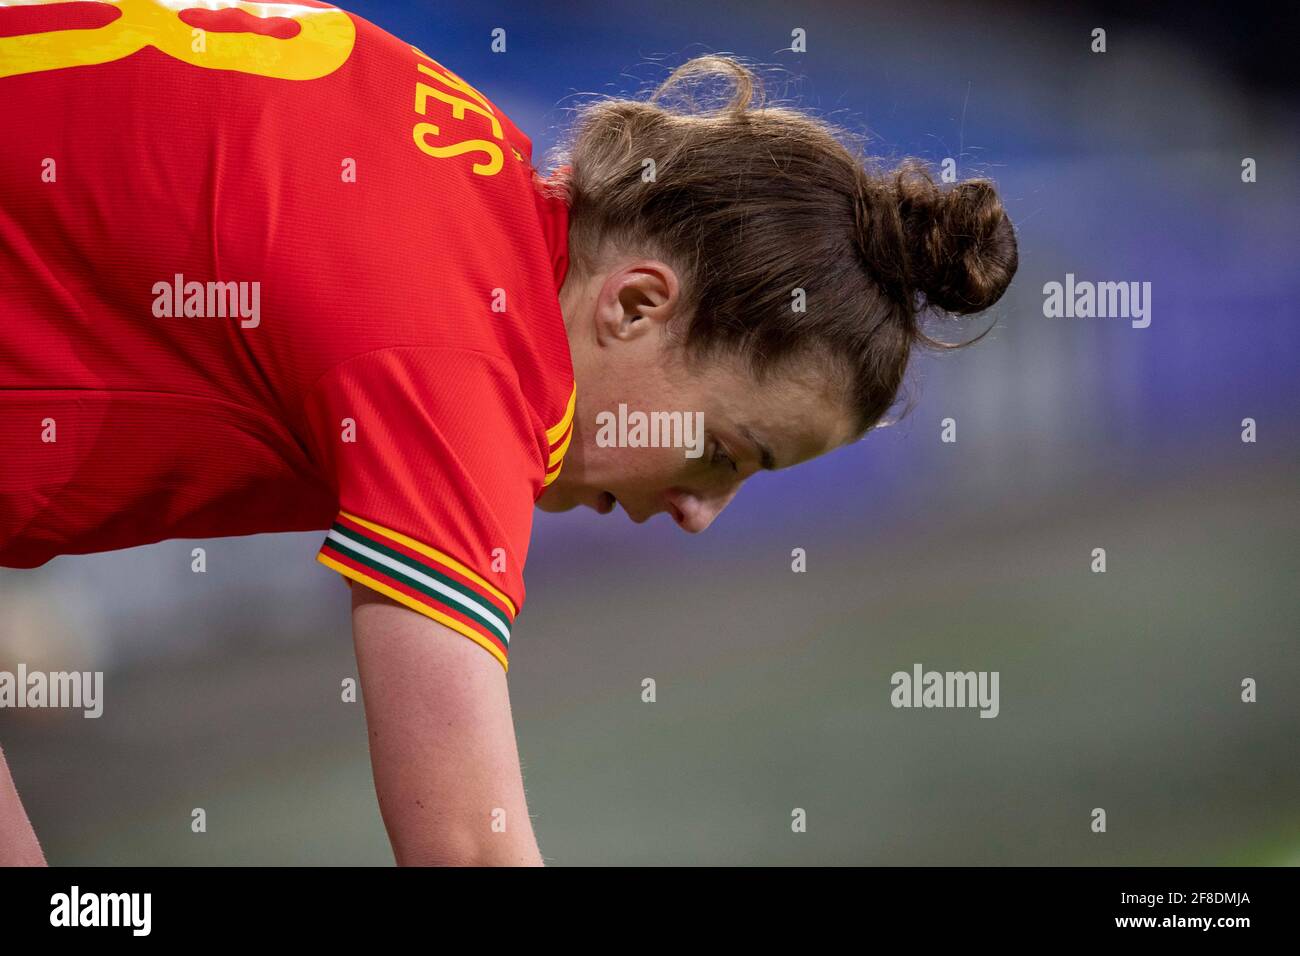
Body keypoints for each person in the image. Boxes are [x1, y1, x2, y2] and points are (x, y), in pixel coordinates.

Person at [0, 0, 1017, 865]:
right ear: (637, 304)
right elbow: (470, 847)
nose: (703, 510)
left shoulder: (469, 180)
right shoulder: (468, 358)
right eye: (727, 448)